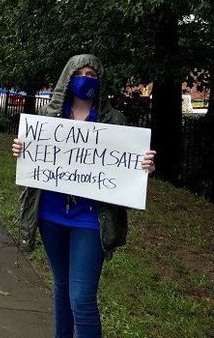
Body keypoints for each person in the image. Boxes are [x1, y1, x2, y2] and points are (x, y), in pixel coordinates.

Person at [12, 54, 156, 338]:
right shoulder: (48, 118)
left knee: (81, 298)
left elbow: (125, 165)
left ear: (100, 82)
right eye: (81, 73)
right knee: (62, 288)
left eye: (93, 75)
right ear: (68, 77)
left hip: (91, 220)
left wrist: (145, 167)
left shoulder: (114, 120)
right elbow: (35, 158)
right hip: (50, 214)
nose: (86, 79)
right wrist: (21, 150)